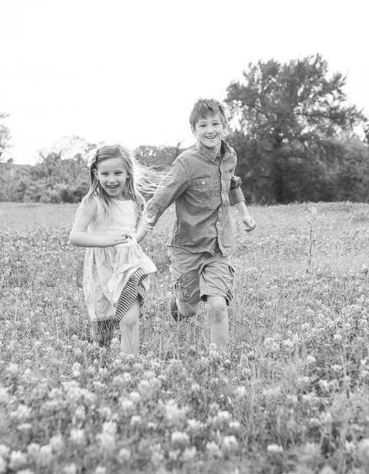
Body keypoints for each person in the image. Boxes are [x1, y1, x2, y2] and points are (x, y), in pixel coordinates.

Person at [134, 98, 256, 350]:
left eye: (215, 123)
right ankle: (178, 303)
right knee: (187, 310)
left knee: (218, 305)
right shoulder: (186, 163)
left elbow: (232, 183)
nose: (210, 130)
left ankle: (219, 362)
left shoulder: (229, 155)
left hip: (218, 246)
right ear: (194, 130)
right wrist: (138, 237)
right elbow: (160, 200)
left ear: (224, 126)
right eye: (203, 125)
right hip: (187, 247)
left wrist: (244, 214)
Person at [68, 144, 158, 354]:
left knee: (129, 317)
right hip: (103, 268)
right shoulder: (93, 202)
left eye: (118, 173)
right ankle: (103, 361)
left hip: (129, 264)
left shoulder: (136, 200)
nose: (111, 179)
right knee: (103, 333)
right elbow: (76, 236)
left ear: (128, 173)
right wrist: (107, 240)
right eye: (105, 173)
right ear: (95, 174)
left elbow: (135, 235)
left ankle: (130, 364)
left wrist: (143, 228)